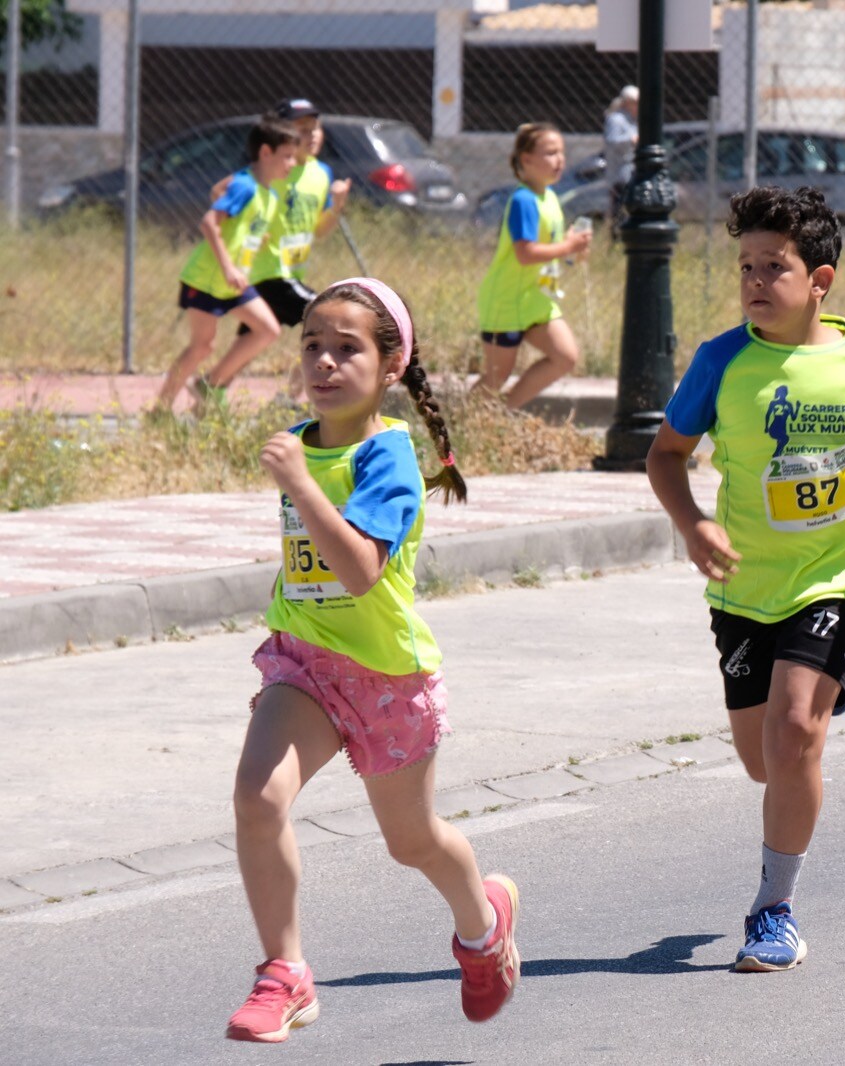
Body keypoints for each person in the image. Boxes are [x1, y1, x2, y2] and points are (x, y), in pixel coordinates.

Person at [646, 186, 845, 971]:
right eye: (745, 265)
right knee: (762, 759)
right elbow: (665, 455)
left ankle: (773, 911)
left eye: (772, 267)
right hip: (745, 588)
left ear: (819, 279)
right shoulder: (722, 362)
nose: (753, 281)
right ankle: (819, 692)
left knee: (794, 732)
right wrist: (693, 524)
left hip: (837, 577)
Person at [227, 278, 519, 1041]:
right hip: (306, 668)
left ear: (390, 366)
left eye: (346, 349)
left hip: (386, 680)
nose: (324, 363)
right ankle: (283, 972)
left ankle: (483, 925)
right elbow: (310, 562)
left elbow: (359, 569)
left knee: (411, 841)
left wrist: (297, 483)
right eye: (311, 346)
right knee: (258, 800)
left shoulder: (387, 457)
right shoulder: (303, 440)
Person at [203, 98, 352, 402]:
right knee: (326, 321)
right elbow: (220, 191)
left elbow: (319, 231)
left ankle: (209, 393)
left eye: (315, 128)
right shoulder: (274, 167)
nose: (311, 135)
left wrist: (336, 205)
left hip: (289, 271)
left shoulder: (321, 172)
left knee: (252, 340)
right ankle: (289, 398)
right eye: (302, 129)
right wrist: (248, 228)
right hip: (266, 271)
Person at [154, 115, 299, 411]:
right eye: (287, 156)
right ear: (265, 152)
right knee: (202, 346)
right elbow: (209, 222)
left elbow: (218, 193)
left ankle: (210, 385)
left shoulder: (267, 194)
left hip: (233, 282)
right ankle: (160, 410)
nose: (292, 163)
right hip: (208, 278)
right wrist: (228, 267)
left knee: (268, 329)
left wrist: (250, 237)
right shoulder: (246, 186)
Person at [476, 122, 593, 409]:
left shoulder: (549, 197)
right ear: (526, 159)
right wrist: (567, 247)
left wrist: (572, 249)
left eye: (561, 152)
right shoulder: (523, 200)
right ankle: (454, 430)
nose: (560, 160)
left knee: (566, 356)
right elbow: (525, 253)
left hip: (536, 299)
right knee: (496, 376)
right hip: (507, 301)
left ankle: (503, 414)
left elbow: (550, 248)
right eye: (551, 153)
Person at [604, 85, 639, 233]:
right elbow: (612, 141)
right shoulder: (616, 119)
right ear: (626, 102)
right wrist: (631, 140)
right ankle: (617, 236)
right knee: (619, 208)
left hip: (631, 171)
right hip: (620, 173)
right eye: (635, 102)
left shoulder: (632, 121)